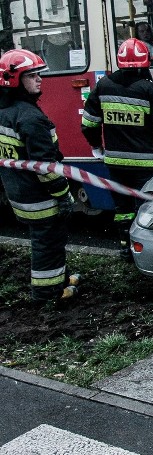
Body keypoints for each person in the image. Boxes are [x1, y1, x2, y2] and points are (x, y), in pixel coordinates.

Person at [81, 38, 153, 262]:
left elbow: (88, 124)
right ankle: (145, 250)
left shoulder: (103, 86)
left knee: (122, 208)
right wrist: (152, 141)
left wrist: (97, 145)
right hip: (146, 164)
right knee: (146, 207)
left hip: (115, 162)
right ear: (145, 64)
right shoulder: (149, 90)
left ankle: (126, 248)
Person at [0, 49, 79, 305]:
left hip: (19, 194)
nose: (39, 79)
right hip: (41, 199)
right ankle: (48, 294)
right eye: (32, 75)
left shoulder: (6, 113)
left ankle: (62, 278)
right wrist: (64, 194)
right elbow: (46, 168)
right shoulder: (30, 118)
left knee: (48, 240)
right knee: (48, 244)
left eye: (38, 74)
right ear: (14, 80)